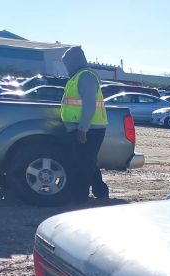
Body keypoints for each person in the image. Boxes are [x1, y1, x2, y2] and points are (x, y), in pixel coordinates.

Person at [60, 46, 109, 201]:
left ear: (73, 62)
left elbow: (89, 106)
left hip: (90, 130)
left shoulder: (85, 77)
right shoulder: (77, 77)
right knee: (88, 162)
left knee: (83, 164)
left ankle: (79, 197)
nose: (66, 66)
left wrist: (82, 130)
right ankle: (101, 192)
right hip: (85, 128)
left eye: (67, 63)